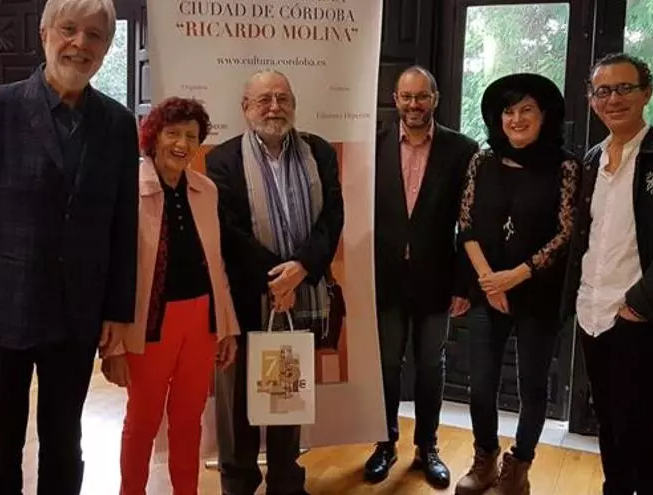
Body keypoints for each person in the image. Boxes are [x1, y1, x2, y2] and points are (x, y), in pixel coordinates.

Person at [0, 0, 138, 493]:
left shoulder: (117, 123)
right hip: (1, 310)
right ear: (44, 33)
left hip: (77, 316)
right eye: (69, 29)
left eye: (94, 35)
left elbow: (123, 225)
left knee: (65, 446)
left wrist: (118, 312)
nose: (80, 44)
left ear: (106, 48)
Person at [563, 53, 653, 494]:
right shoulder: (591, 160)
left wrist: (639, 305)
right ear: (591, 100)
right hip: (592, 311)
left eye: (624, 88)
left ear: (647, 93)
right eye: (603, 91)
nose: (614, 99)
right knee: (608, 421)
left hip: (637, 315)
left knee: (638, 427)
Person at [206, 69, 344, 495]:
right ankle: (238, 483)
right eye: (264, 100)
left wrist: (299, 269)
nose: (274, 108)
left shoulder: (319, 152)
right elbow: (228, 232)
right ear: (245, 108)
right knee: (237, 401)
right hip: (245, 299)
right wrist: (276, 279)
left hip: (300, 296)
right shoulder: (222, 159)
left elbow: (332, 217)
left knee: (287, 395)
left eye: (283, 99)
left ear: (294, 105)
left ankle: (286, 481)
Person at [100, 97, 240, 495]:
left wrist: (227, 326)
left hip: (201, 321)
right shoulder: (126, 189)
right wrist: (112, 346)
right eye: (173, 133)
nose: (182, 144)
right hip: (148, 323)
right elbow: (110, 271)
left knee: (188, 419)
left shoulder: (206, 190)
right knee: (142, 420)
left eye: (191, 136)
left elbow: (216, 264)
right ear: (153, 136)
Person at [454, 73, 579, 495]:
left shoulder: (565, 167)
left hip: (538, 293)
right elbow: (466, 224)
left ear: (545, 116)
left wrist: (517, 274)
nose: (517, 119)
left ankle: (519, 467)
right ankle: (485, 458)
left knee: (533, 387)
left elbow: (565, 233)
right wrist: (491, 283)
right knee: (481, 384)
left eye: (527, 110)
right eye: (509, 111)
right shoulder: (481, 161)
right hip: (487, 289)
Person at [365, 65, 477, 488]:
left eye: (422, 96)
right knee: (386, 366)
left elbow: (469, 224)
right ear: (395, 99)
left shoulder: (462, 149)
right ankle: (384, 444)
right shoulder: (372, 145)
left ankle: (427, 448)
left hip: (437, 279)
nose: (414, 104)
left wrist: (464, 284)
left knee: (431, 366)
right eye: (407, 96)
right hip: (385, 278)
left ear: (435, 99)